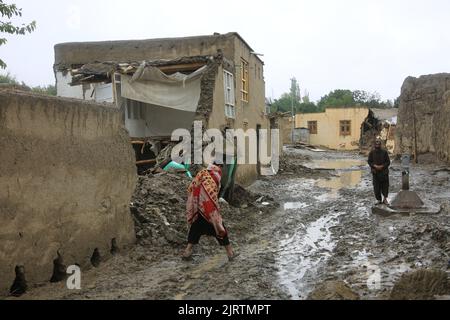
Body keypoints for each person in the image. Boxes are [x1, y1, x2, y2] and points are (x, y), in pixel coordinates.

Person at [182, 162, 238, 261]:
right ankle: (230, 253)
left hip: (198, 207)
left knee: (196, 229)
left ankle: (187, 252)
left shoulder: (202, 172)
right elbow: (213, 193)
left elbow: (191, 187)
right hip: (208, 209)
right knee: (220, 229)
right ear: (220, 166)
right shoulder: (216, 175)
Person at [368, 138, 391, 205]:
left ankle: (385, 199)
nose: (377, 144)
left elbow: (388, 162)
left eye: (379, 143)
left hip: (384, 172)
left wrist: (382, 166)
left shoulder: (384, 152)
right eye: (376, 143)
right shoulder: (371, 153)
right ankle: (378, 199)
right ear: (374, 144)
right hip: (375, 173)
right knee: (376, 187)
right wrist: (374, 166)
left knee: (385, 186)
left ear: (380, 144)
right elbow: (369, 161)